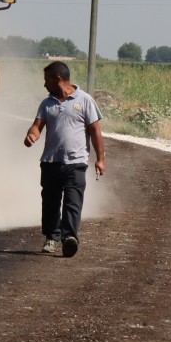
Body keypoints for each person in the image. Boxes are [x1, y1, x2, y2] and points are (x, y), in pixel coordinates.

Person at [23, 61, 106, 258]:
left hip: (76, 162)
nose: (44, 85)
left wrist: (100, 159)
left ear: (57, 79)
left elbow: (95, 131)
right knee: (50, 202)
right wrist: (31, 134)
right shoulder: (46, 103)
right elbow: (37, 126)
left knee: (72, 202)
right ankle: (51, 237)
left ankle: (70, 238)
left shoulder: (85, 100)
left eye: (46, 80)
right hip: (51, 162)